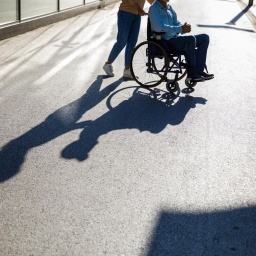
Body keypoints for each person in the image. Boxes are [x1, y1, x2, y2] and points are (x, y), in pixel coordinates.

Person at [148, 0, 214, 82]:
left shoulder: (169, 8)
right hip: (165, 42)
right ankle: (193, 72)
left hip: (175, 38)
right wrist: (180, 29)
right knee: (190, 39)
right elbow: (158, 27)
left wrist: (183, 28)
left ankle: (199, 70)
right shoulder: (153, 8)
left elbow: (176, 23)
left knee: (204, 38)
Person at [103, 0, 151, 79]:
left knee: (132, 42)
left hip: (137, 15)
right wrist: (139, 9)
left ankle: (127, 70)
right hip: (125, 13)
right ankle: (107, 64)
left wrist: (162, 5)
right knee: (122, 41)